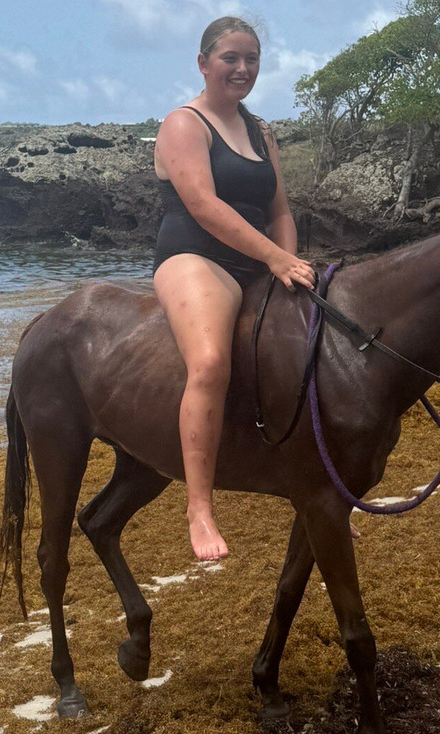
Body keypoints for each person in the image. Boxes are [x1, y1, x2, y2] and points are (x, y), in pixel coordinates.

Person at [153, 16, 316, 562]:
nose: (242, 69)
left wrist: (288, 261)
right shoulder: (184, 123)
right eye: (230, 58)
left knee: (311, 353)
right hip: (198, 259)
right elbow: (203, 205)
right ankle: (199, 508)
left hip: (261, 262)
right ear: (203, 64)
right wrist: (275, 258)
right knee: (208, 365)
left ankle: (312, 492)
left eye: (252, 59)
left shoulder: (260, 130)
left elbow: (280, 209)